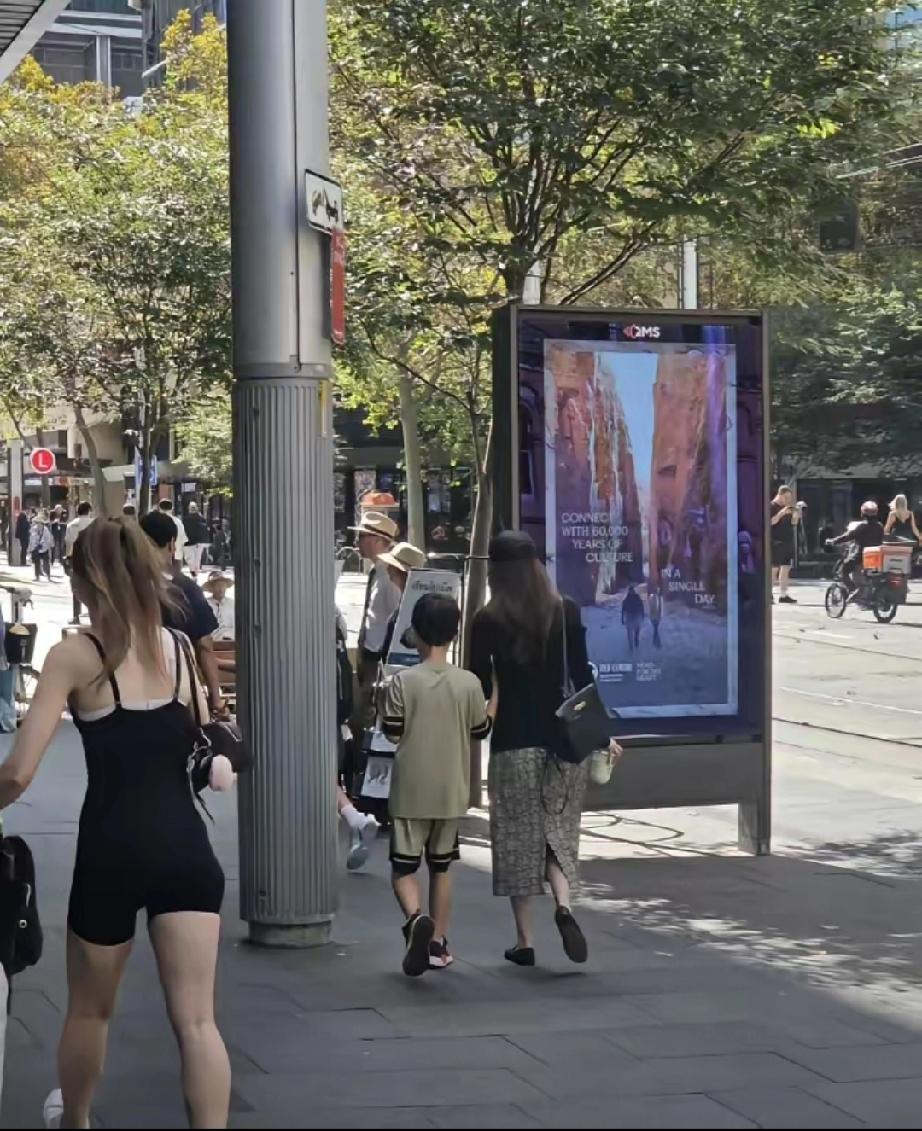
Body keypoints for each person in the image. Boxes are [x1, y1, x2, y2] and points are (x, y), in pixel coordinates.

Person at [0, 518, 231, 1130]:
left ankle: (75, 1120)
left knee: (90, 1011)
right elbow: (197, 736)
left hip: (112, 849)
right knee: (198, 1021)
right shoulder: (177, 647)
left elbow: (19, 772)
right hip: (186, 846)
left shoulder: (75, 655)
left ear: (87, 579)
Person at [469, 530, 621, 967]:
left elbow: (478, 683)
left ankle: (525, 941)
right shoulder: (564, 610)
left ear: (496, 571)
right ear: (537, 565)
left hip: (512, 742)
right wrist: (602, 736)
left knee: (517, 839)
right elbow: (582, 677)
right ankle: (564, 906)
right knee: (557, 834)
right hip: (562, 743)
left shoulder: (487, 619)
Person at [383, 593, 492, 975]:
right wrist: (496, 699)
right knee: (441, 867)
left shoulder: (402, 682)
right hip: (450, 790)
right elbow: (480, 729)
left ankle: (416, 919)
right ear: (454, 633)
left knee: (403, 867)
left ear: (416, 631)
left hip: (410, 789)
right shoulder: (469, 683)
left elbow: (393, 733)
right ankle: (437, 943)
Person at [140, 510, 224, 716]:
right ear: (172, 544)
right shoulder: (187, 588)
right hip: (179, 691)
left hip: (132, 691)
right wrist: (216, 700)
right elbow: (204, 647)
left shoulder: (124, 587)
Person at [350, 511, 400, 732]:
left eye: (362, 536)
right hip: (369, 654)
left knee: (367, 716)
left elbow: (396, 620)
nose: (357, 542)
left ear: (379, 540)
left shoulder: (390, 576)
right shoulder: (377, 571)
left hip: (379, 658)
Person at [376, 541, 427, 659]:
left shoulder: (416, 605)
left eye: (392, 566)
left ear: (402, 572)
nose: (388, 569)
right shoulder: (405, 598)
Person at [827, 500, 886, 592]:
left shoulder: (862, 526)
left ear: (863, 513)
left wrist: (833, 541)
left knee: (843, 570)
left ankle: (853, 590)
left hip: (860, 557)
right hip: (875, 557)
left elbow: (848, 536)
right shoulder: (880, 526)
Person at [64, 502, 94, 624]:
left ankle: (76, 616)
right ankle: (93, 615)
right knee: (93, 588)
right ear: (89, 511)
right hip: (92, 559)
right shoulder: (94, 524)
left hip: (76, 559)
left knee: (76, 587)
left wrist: (67, 559)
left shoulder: (72, 525)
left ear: (78, 511)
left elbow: (68, 544)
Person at [770, 485, 800, 604]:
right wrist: (781, 513)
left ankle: (783, 595)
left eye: (789, 498)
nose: (788, 500)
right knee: (774, 568)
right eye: (786, 497)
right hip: (775, 541)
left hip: (787, 540)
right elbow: (770, 522)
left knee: (785, 568)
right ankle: (768, 594)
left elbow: (794, 523)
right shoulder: (771, 506)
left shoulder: (787, 507)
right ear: (780, 495)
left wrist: (796, 515)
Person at [203, 571, 235, 642]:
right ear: (212, 588)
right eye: (217, 585)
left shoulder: (232, 604)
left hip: (231, 641)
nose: (220, 588)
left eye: (223, 585)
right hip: (212, 641)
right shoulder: (205, 604)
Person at [183, 502, 210, 578]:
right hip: (195, 542)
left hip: (191, 543)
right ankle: (194, 575)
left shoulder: (186, 519)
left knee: (193, 560)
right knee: (195, 560)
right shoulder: (200, 519)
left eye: (193, 508)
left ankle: (194, 575)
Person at [158, 499, 186, 566]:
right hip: (176, 556)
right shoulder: (178, 522)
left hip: (159, 557)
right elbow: (183, 540)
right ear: (172, 509)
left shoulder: (155, 521)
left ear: (159, 508)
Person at [28, 511, 54, 582]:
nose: (39, 524)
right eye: (38, 523)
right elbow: (31, 539)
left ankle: (48, 576)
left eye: (41, 523)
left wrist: (44, 546)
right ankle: (37, 576)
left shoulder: (46, 530)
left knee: (46, 563)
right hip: (36, 548)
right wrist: (31, 548)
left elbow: (48, 540)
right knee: (37, 563)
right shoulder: (33, 529)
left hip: (44, 548)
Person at [621, 585, 644, 652]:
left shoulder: (629, 598)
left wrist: (622, 618)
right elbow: (623, 608)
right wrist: (622, 618)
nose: (631, 592)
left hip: (633, 615)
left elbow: (623, 608)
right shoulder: (635, 597)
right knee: (632, 630)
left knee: (632, 631)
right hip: (633, 615)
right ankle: (632, 645)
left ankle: (633, 644)